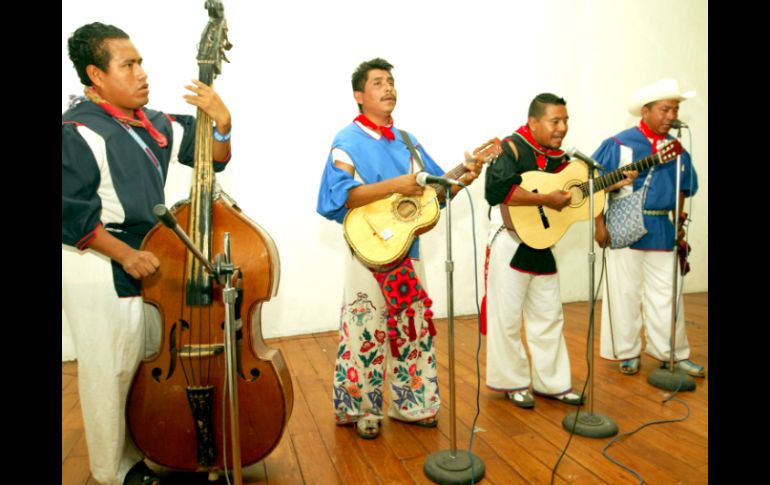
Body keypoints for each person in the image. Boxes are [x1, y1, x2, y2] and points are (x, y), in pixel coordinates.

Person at [62, 22, 232, 485]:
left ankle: (150, 447)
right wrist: (122, 254)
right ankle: (113, 470)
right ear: (96, 75)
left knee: (146, 363)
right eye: (128, 64)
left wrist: (222, 122)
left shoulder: (153, 123)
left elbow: (210, 157)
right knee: (110, 367)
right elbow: (69, 212)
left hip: (150, 257)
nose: (141, 73)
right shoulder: (76, 130)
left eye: (141, 63)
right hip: (98, 260)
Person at [316, 58, 481, 439]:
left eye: (390, 81)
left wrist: (464, 177)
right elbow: (337, 197)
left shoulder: (408, 140)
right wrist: (395, 186)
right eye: (377, 83)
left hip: (408, 247)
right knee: (365, 326)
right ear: (359, 96)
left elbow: (434, 190)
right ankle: (361, 410)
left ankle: (413, 405)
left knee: (412, 326)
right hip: (367, 249)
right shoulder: (347, 140)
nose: (388, 88)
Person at [483, 93, 635, 409]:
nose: (562, 128)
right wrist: (544, 200)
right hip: (509, 241)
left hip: (543, 243)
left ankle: (553, 384)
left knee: (549, 316)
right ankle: (512, 383)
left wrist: (612, 184)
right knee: (507, 319)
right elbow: (496, 190)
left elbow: (580, 191)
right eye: (555, 121)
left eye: (566, 120)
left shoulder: (563, 158)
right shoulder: (509, 148)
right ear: (534, 122)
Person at [592, 78, 703, 378]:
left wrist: (679, 222)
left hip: (662, 227)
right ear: (646, 111)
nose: (671, 116)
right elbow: (594, 186)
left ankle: (673, 354)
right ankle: (627, 352)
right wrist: (599, 226)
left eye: (675, 109)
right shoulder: (618, 144)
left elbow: (684, 186)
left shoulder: (676, 148)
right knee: (624, 292)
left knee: (668, 293)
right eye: (665, 109)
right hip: (624, 226)